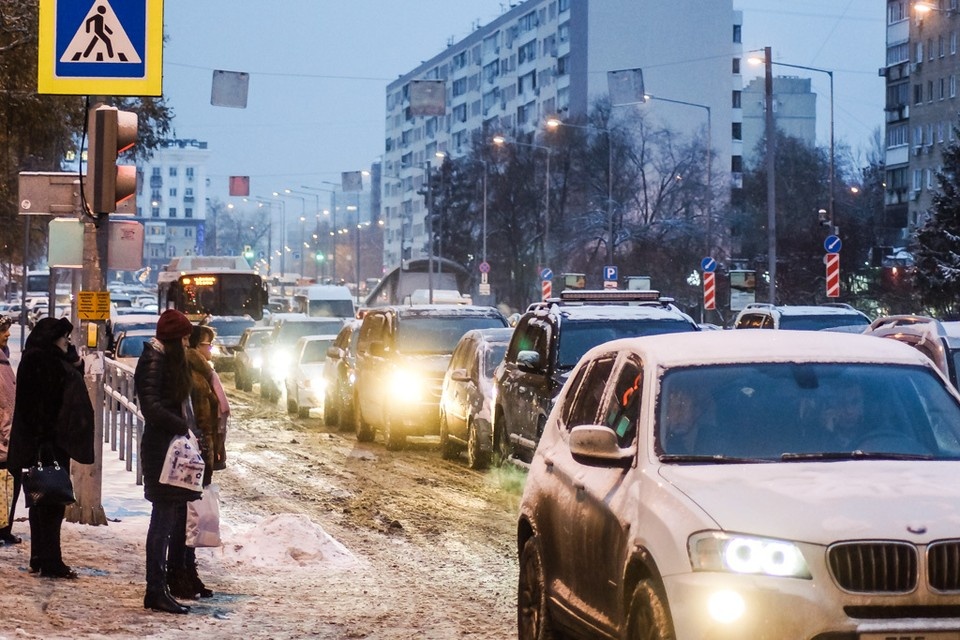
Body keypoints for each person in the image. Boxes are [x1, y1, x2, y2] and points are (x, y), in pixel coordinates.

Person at [7, 317, 95, 578]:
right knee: (51, 502)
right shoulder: (43, 360)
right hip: (47, 443)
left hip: (44, 442)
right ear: (52, 337)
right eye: (64, 337)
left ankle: (40, 557)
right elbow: (42, 406)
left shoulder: (43, 357)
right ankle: (51, 561)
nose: (68, 341)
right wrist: (45, 440)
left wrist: (73, 360)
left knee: (41, 500)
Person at [135, 309, 201, 614]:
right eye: (184, 338)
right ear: (174, 339)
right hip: (161, 452)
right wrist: (181, 426)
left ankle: (160, 588)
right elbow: (151, 407)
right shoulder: (154, 360)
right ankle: (155, 590)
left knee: (168, 519)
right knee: (161, 523)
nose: (187, 344)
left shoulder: (166, 360)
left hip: (170, 450)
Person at [167, 324, 220, 600]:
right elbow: (194, 416)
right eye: (207, 344)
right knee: (186, 516)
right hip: (193, 450)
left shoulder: (202, 371)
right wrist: (202, 445)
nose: (211, 349)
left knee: (191, 514)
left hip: (199, 447)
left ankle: (188, 570)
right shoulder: (192, 371)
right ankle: (180, 573)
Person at [0, 316, 20, 545]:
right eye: (3, 330)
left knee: (10, 484)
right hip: (3, 437)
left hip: (7, 436)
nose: (8, 334)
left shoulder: (4, 358)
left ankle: (4, 528)